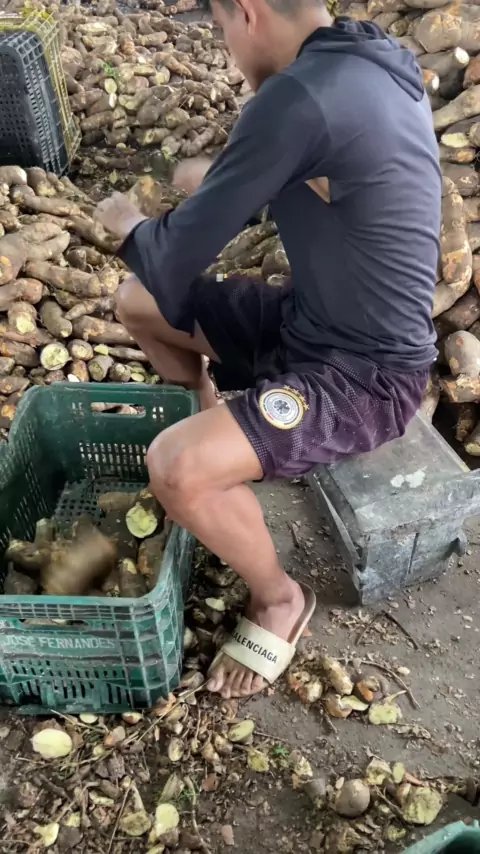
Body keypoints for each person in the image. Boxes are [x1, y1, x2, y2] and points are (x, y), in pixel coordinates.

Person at [95, 0, 441, 700]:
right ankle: (213, 436)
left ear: (248, 13)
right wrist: (215, 182)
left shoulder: (299, 97)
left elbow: (172, 255)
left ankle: (279, 597)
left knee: (173, 466)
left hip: (366, 376)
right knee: (136, 303)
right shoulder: (366, 61)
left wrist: (126, 223)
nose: (226, 47)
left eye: (221, 26)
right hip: (308, 323)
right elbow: (314, 180)